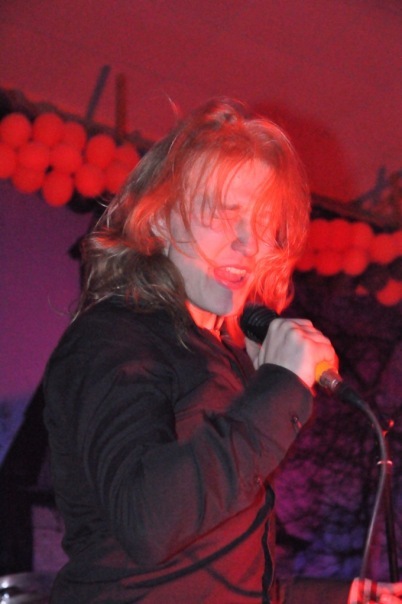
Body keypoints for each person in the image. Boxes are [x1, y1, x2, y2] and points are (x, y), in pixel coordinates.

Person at [43, 98, 402, 603]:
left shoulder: (224, 357)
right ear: (160, 217)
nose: (248, 244)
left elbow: (211, 577)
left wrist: (340, 597)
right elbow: (148, 521)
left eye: (263, 223)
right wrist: (279, 389)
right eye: (222, 215)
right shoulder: (114, 336)